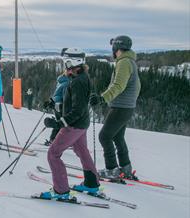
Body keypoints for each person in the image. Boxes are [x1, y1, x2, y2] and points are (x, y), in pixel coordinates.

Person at [40, 48, 100, 200]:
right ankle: (91, 183)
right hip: (81, 124)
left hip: (74, 125)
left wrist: (58, 123)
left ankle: (61, 191)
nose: (64, 65)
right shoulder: (80, 77)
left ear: (73, 62)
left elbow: (77, 110)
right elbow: (74, 99)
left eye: (65, 61)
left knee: (53, 154)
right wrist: (53, 102)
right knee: (82, 150)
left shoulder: (78, 81)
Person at [90, 35, 141, 179]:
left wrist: (102, 98)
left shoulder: (124, 62)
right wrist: (131, 102)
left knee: (104, 136)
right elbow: (137, 86)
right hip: (126, 107)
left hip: (121, 107)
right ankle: (126, 168)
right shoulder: (130, 62)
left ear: (116, 48)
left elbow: (118, 85)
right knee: (118, 137)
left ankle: (112, 170)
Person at [43, 48, 74, 146]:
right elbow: (58, 94)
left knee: (61, 124)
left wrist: (56, 104)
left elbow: (67, 97)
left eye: (69, 70)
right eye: (66, 69)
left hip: (63, 106)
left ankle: (60, 141)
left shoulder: (70, 82)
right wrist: (51, 102)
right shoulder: (62, 80)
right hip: (58, 106)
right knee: (59, 123)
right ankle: (54, 140)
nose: (67, 71)